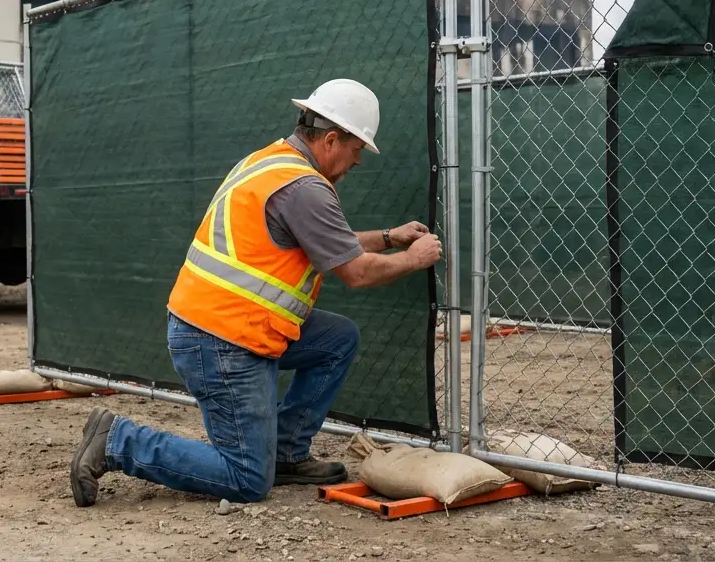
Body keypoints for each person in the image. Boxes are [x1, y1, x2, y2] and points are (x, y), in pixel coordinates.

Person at [69, 78, 442, 507]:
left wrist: (388, 236)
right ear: (332, 139)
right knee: (246, 478)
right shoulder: (305, 188)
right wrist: (413, 259)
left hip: (224, 324)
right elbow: (356, 272)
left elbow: (329, 242)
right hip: (223, 341)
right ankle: (119, 442)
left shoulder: (272, 163)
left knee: (338, 340)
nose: (358, 161)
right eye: (358, 149)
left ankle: (285, 453)